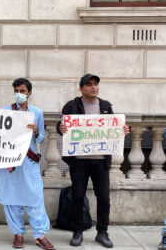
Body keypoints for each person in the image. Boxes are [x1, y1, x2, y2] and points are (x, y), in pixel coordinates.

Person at [57, 74, 130, 248]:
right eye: (89, 84)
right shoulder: (71, 105)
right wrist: (61, 128)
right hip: (79, 161)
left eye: (96, 84)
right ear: (81, 88)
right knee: (78, 197)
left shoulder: (105, 106)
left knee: (104, 197)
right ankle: (77, 231)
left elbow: (114, 128)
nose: (94, 87)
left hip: (101, 161)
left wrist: (123, 130)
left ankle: (102, 232)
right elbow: (61, 127)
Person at [0, 78, 55, 250]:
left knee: (34, 196)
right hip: (9, 163)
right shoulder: (4, 112)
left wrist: (36, 130)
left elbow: (41, 138)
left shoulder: (36, 113)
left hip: (28, 161)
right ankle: (18, 233)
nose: (19, 94)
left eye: (22, 91)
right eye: (16, 90)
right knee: (11, 198)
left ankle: (40, 235)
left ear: (29, 93)